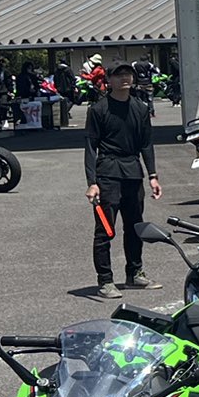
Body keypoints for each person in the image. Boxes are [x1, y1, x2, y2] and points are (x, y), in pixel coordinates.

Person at [85, 62, 162, 298]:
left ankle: (134, 273)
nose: (124, 78)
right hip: (108, 174)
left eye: (127, 74)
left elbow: (146, 144)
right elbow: (90, 147)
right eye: (118, 75)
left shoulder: (139, 108)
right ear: (108, 79)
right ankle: (105, 281)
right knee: (105, 231)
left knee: (135, 227)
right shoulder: (99, 110)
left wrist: (153, 175)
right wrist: (92, 182)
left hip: (133, 173)